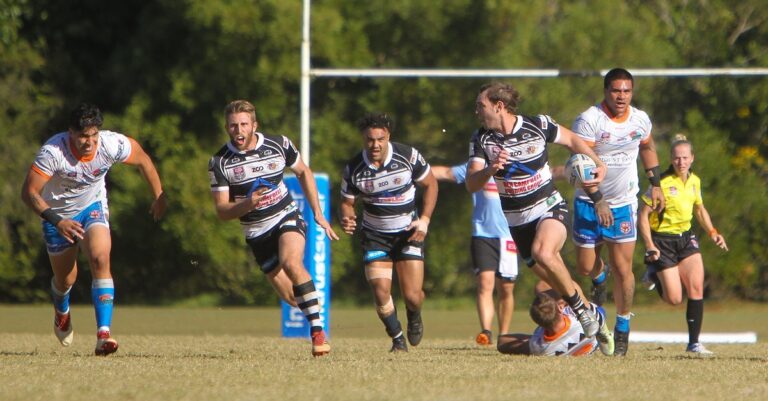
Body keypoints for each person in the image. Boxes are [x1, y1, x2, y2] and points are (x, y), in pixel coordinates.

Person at [466, 82, 614, 355]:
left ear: (499, 106)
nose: (477, 111)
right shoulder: (481, 140)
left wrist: (599, 163)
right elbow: (471, 184)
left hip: (549, 207)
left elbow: (572, 140)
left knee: (543, 252)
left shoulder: (538, 125)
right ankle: (598, 321)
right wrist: (490, 170)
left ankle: (582, 315)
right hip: (518, 224)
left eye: (481, 105)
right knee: (559, 281)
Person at [21, 103, 168, 356]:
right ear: (70, 133)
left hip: (92, 207)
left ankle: (103, 335)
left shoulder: (110, 144)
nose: (89, 142)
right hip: (58, 217)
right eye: (82, 137)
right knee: (66, 279)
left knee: (100, 257)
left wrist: (159, 195)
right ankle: (61, 310)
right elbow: (29, 193)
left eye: (93, 135)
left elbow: (142, 159)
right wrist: (58, 221)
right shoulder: (53, 152)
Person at [207, 100, 338, 357]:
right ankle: (312, 309)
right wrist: (247, 204)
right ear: (226, 128)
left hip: (286, 215)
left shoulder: (279, 144)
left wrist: (318, 213)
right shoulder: (220, 162)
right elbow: (222, 211)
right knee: (291, 297)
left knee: (292, 263)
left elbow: (303, 172)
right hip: (256, 232)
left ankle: (317, 333)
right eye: (233, 126)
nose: (239, 130)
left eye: (244, 124)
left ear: (254, 125)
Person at [570, 67, 665, 356]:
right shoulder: (589, 120)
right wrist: (598, 199)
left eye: (627, 91)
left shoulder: (640, 119)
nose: (621, 96)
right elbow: (581, 164)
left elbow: (647, 146)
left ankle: (622, 326)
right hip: (589, 203)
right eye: (616, 90)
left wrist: (656, 184)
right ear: (606, 91)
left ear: (632, 92)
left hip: (623, 204)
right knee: (585, 267)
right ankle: (600, 277)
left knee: (624, 269)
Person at [339, 113, 438, 352]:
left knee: (413, 296)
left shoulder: (408, 156)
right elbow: (346, 202)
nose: (375, 145)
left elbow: (431, 184)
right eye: (370, 140)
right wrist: (346, 216)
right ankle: (397, 339)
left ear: (388, 137)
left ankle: (414, 314)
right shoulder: (353, 168)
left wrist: (424, 221)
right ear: (363, 139)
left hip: (408, 233)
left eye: (380, 139)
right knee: (380, 291)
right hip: (375, 236)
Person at [637, 134, 728, 355]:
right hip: (663, 241)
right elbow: (642, 216)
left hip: (686, 239)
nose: (681, 162)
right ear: (671, 158)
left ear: (692, 158)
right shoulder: (661, 183)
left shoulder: (695, 181)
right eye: (677, 158)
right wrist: (649, 245)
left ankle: (694, 343)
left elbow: (699, 209)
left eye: (685, 157)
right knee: (675, 299)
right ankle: (653, 273)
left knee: (696, 287)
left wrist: (713, 232)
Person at [432, 163, 516, 346]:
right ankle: (486, 332)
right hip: (482, 234)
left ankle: (504, 334)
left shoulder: (515, 166)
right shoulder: (476, 166)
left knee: (506, 288)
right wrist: (414, 169)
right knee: (485, 283)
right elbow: (446, 172)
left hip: (509, 235)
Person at [497, 282, 606, 356]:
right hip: (598, 316)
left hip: (557, 342)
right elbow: (569, 284)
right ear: (560, 307)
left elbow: (501, 343)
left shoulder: (540, 347)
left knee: (541, 287)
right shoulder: (581, 319)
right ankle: (599, 281)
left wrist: (534, 339)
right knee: (543, 286)